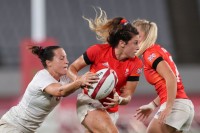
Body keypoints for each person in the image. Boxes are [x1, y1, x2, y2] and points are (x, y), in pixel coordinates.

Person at [67, 8, 143, 133]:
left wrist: (120, 100)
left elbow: (128, 95)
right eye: (135, 43)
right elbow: (72, 68)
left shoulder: (136, 64)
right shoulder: (97, 50)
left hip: (111, 112)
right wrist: (79, 79)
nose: (138, 47)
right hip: (89, 102)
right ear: (122, 43)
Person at [0, 45, 98, 133]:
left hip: (26, 130)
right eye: (61, 58)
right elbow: (61, 91)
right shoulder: (42, 77)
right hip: (11, 126)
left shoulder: (63, 78)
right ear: (49, 63)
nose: (67, 61)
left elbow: (76, 80)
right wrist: (80, 82)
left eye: (66, 58)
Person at [132, 19, 195, 133]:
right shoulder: (157, 50)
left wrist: (169, 106)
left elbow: (171, 77)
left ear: (143, 36)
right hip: (183, 105)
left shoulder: (150, 54)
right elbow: (166, 84)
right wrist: (152, 105)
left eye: (134, 35)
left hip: (175, 105)